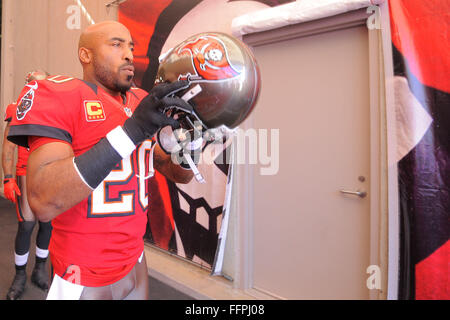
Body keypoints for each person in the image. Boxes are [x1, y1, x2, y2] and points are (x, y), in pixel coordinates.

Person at [7, 21, 194, 300]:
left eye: (131, 46)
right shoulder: (61, 94)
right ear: (86, 55)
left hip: (135, 259)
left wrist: (195, 139)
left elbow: (177, 173)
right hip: (82, 271)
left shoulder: (139, 101)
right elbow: (43, 202)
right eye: (117, 44)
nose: (129, 54)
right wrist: (132, 131)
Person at [2, 70, 52, 300]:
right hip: (25, 172)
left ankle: (40, 269)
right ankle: (20, 275)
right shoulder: (18, 108)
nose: (37, 88)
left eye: (41, 83)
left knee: (48, 225)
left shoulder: (55, 108)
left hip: (48, 173)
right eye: (33, 83)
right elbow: (9, 146)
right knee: (26, 225)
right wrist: (8, 178)